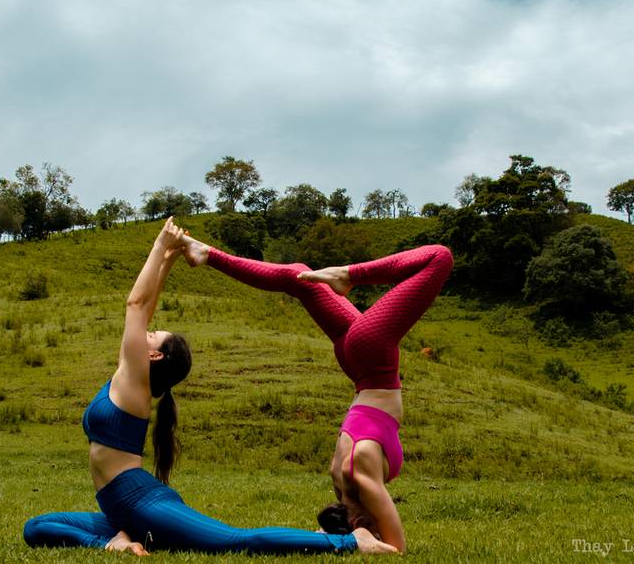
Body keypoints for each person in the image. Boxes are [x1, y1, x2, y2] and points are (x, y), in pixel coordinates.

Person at [23, 217, 396, 555]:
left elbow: (136, 305)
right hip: (121, 511)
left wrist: (160, 244)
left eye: (152, 335)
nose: (145, 332)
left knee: (234, 540)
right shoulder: (129, 375)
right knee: (36, 527)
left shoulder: (134, 384)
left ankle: (352, 541)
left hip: (143, 504)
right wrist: (168, 258)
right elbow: (145, 308)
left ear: (154, 356)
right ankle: (114, 542)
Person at [179, 233, 454, 553]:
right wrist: (330, 535)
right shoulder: (341, 483)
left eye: (374, 527)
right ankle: (207, 254)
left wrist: (363, 537)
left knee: (439, 258)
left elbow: (396, 549)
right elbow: (356, 533)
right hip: (358, 366)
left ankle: (348, 275)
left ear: (358, 523)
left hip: (373, 357)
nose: (381, 525)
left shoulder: (362, 479)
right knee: (298, 276)